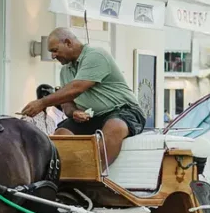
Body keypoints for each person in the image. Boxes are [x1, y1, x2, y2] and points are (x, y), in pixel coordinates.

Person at [18, 29, 145, 165]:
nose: (53, 56)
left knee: (114, 126)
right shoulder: (65, 71)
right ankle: (70, 174)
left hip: (124, 110)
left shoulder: (95, 55)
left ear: (68, 43)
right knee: (61, 134)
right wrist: (74, 112)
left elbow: (76, 88)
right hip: (92, 117)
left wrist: (42, 103)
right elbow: (67, 103)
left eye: (55, 50)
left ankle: (97, 173)